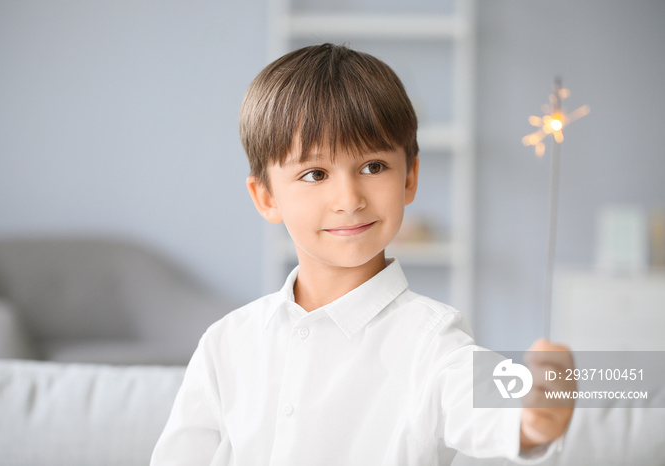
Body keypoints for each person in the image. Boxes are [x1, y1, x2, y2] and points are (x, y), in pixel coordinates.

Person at [150, 43, 576, 465]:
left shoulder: (432, 342)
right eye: (315, 174)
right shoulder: (227, 343)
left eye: (373, 166)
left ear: (409, 178)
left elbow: (481, 397)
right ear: (266, 197)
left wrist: (531, 421)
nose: (349, 199)